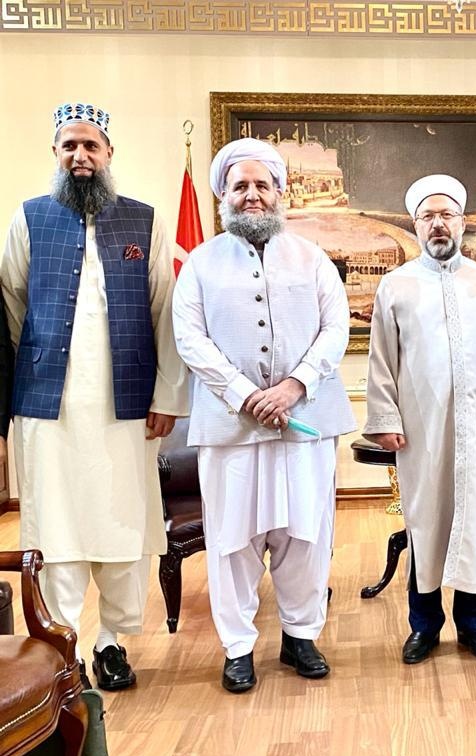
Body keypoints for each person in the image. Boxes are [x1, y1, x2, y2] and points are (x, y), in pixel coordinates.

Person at [0, 103, 187, 691]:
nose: (80, 156)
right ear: (55, 154)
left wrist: (168, 394)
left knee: (123, 525)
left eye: (91, 146)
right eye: (69, 147)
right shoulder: (28, 218)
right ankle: (65, 648)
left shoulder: (144, 221)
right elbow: (11, 307)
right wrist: (34, 371)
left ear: (109, 154)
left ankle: (111, 642)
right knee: (54, 529)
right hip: (47, 408)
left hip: (126, 407)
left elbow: (165, 312)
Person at [172, 138, 355, 692]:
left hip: (306, 421)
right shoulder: (200, 264)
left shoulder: (314, 258)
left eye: (262, 185)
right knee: (233, 540)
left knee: (306, 534)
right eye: (240, 186)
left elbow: (336, 328)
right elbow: (190, 338)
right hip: (231, 426)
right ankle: (238, 648)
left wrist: (295, 385)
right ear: (223, 196)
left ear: (280, 192)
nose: (252, 195)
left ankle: (301, 636)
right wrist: (243, 392)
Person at [364, 174, 476, 665]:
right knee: (426, 520)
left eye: (447, 215)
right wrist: (385, 418)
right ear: (416, 224)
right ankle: (424, 625)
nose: (438, 224)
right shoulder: (395, 285)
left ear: (461, 222)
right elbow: (381, 360)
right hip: (421, 426)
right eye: (428, 216)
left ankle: (473, 624)